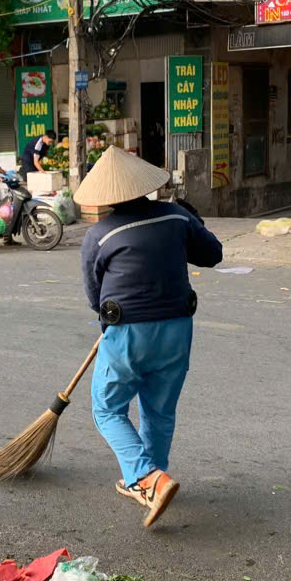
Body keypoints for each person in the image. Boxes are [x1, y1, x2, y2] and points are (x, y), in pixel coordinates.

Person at [76, 147, 223, 527]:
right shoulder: (176, 216)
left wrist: (108, 323)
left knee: (107, 409)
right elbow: (212, 255)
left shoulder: (100, 235)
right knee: (159, 411)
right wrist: (193, 221)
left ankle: (147, 477)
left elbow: (96, 295)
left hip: (127, 331)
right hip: (177, 329)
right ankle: (153, 481)